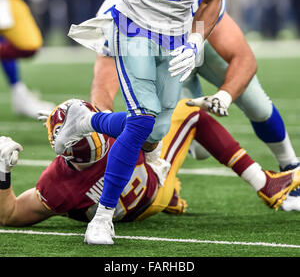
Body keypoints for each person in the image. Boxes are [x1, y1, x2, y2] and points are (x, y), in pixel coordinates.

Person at [62, 0, 247, 244]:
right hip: (132, 21)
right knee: (142, 116)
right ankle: (103, 217)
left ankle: (85, 120)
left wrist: (197, 40)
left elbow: (213, 0)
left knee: (151, 135)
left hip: (176, 31)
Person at [70, 0, 300, 212]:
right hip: (166, 67)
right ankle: (164, 179)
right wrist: (98, 123)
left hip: (201, 49)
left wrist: (225, 96)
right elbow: (103, 89)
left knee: (256, 104)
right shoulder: (118, 12)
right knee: (181, 139)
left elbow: (244, 59)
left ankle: (290, 165)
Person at [1, 99, 300, 231]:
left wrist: (3, 173)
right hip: (153, 184)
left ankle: (171, 199)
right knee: (190, 112)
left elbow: (9, 214)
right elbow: (152, 137)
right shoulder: (111, 132)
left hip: (132, 212)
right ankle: (266, 183)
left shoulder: (55, 186)